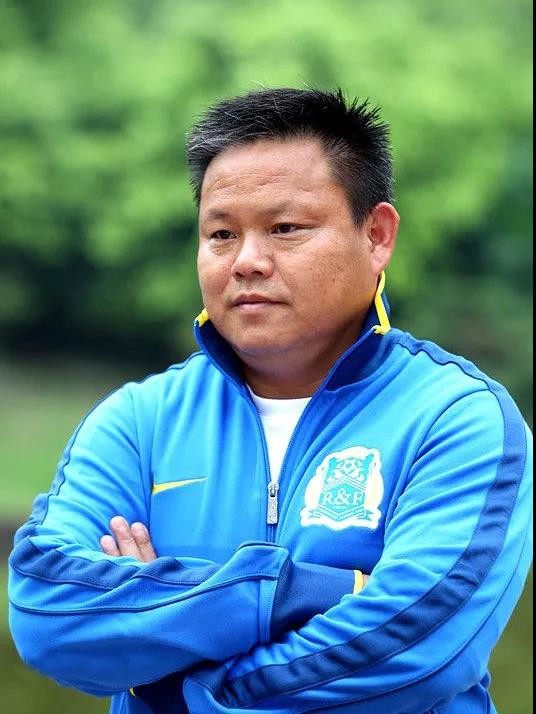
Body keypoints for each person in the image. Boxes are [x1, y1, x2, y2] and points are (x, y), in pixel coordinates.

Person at [8, 88, 532, 714]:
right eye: (221, 234)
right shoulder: (138, 422)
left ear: (377, 235)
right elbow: (47, 612)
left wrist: (171, 670)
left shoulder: (458, 418)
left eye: (285, 229)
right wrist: (307, 594)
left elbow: (414, 649)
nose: (248, 261)